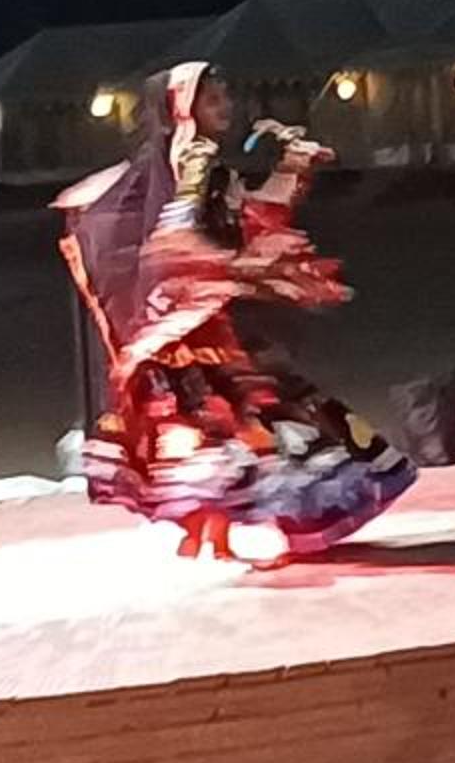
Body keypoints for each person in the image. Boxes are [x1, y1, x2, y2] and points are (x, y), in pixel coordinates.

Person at [56, 61, 414, 562]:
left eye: (224, 97)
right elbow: (176, 234)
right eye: (211, 100)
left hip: (207, 322)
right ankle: (223, 534)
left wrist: (292, 166)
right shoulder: (193, 159)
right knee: (236, 421)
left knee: (235, 420)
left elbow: (252, 217)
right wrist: (233, 267)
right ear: (183, 109)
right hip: (187, 326)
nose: (224, 107)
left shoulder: (209, 167)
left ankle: (213, 536)